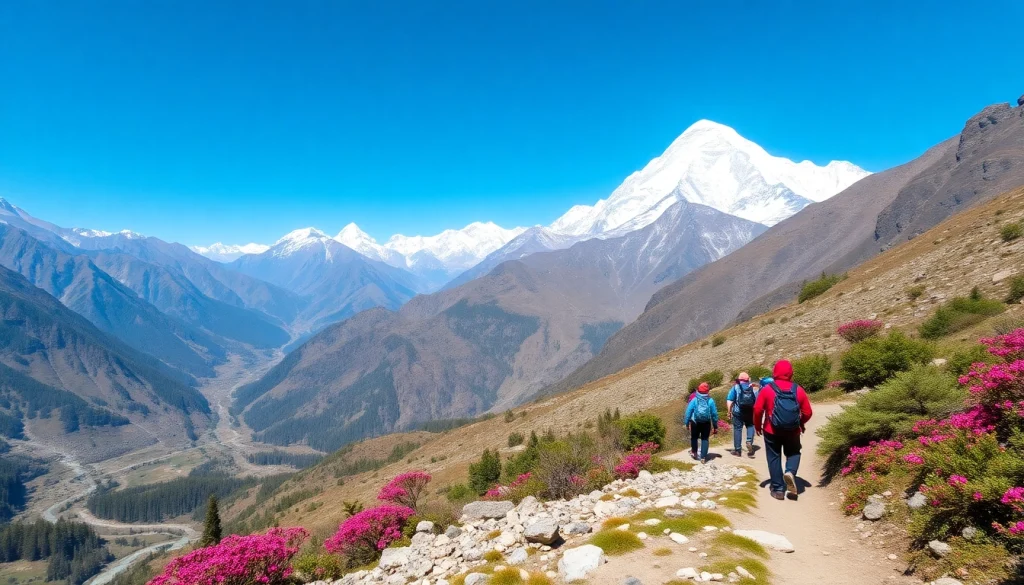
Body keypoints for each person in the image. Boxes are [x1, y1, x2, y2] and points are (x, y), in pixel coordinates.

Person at [753, 360, 813, 500]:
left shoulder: (767, 389)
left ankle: (778, 490)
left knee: (774, 457)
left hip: (771, 430)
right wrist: (800, 423)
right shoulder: (798, 389)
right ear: (791, 373)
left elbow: (757, 409)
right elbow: (808, 412)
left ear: (774, 372)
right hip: (792, 431)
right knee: (793, 453)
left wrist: (757, 426)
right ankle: (790, 472)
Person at [684, 382, 719, 463]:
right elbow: (714, 414)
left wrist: (686, 423)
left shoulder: (694, 400)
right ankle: (703, 457)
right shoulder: (710, 400)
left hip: (695, 422)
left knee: (694, 438)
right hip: (706, 422)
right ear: (707, 391)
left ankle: (695, 453)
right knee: (705, 439)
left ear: (698, 390)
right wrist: (715, 425)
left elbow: (688, 412)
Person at [726, 372, 757, 457]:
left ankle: (738, 450)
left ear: (739, 379)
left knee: (737, 429)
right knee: (750, 425)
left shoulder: (735, 387)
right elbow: (756, 401)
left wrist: (729, 411)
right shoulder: (753, 388)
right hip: (750, 412)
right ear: (748, 379)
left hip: (738, 412)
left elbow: (729, 400)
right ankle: (749, 441)